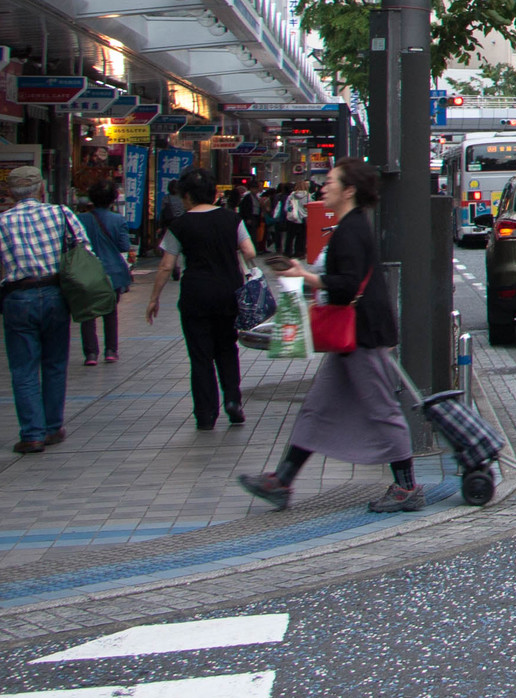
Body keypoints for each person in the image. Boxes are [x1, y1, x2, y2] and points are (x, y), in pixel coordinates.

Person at [239, 159, 421, 513]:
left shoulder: (352, 229)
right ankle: (282, 480)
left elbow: (347, 285)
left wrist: (303, 277)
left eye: (332, 181)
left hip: (360, 334)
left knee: (382, 408)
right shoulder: (351, 225)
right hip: (351, 335)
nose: (324, 186)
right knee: (318, 407)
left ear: (349, 190)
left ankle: (407, 486)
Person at [0, 164, 83, 453]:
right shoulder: (61, 214)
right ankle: (53, 427)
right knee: (55, 364)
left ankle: (32, 434)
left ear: (10, 193)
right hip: (56, 294)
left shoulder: (1, 223)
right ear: (41, 188)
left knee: (24, 367)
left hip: (18, 299)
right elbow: (84, 252)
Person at [149, 167, 255, 430]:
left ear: (186, 196)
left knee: (200, 356)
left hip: (195, 295)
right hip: (229, 293)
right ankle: (233, 401)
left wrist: (154, 298)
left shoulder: (179, 225)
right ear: (214, 193)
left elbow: (166, 265)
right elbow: (249, 251)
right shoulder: (232, 219)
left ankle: (206, 413)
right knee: (227, 350)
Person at [75, 180, 135, 367]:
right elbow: (124, 246)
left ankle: (91, 353)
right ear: (112, 200)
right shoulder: (118, 220)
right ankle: (110, 350)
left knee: (88, 313)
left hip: (87, 271)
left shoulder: (80, 219)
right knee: (110, 312)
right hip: (113, 272)